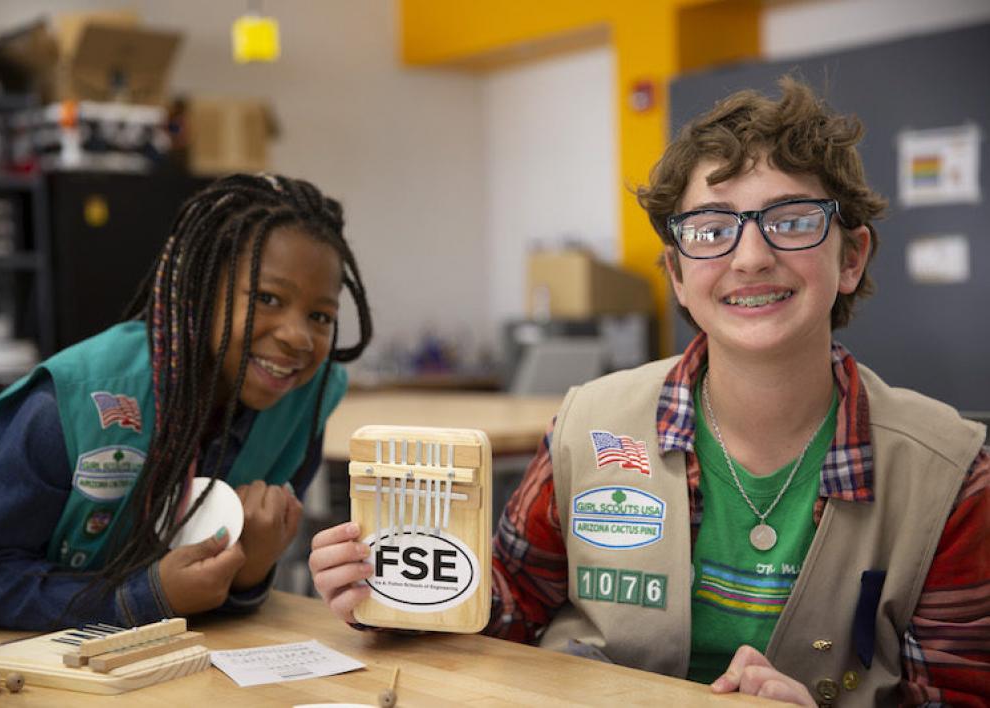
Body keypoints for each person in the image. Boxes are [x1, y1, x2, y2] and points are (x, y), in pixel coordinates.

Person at [308, 78, 988, 706]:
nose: (750, 257)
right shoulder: (589, 423)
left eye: (790, 220)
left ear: (851, 257)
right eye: (712, 231)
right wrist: (398, 596)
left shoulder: (950, 476)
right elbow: (510, 608)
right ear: (675, 273)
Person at [0, 173, 372, 630]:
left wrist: (249, 571)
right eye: (267, 298)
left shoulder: (306, 400)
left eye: (320, 316)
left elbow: (214, 593)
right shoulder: (73, 402)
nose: (298, 337)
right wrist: (146, 597)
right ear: (202, 291)